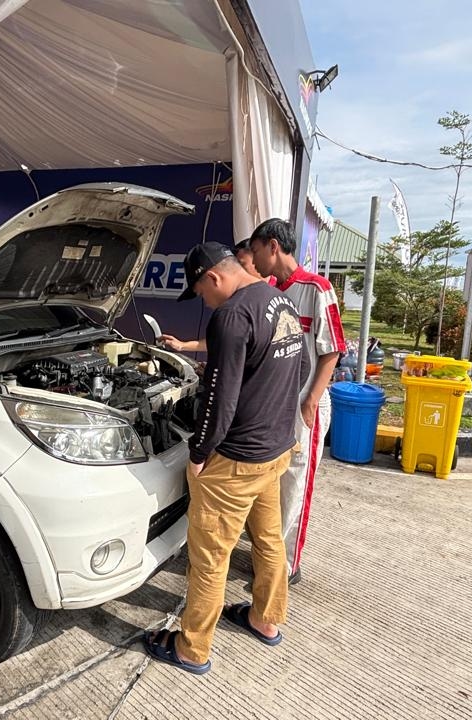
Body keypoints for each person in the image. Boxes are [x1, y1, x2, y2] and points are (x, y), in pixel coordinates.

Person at [142, 242, 310, 675]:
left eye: (200, 292)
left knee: (210, 558)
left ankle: (190, 649)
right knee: (269, 542)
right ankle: (265, 620)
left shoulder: (231, 315)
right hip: (274, 450)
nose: (204, 300)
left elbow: (219, 401)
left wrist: (199, 454)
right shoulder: (279, 301)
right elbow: (303, 367)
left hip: (234, 462)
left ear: (212, 277)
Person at [247, 218, 346, 584]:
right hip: (275, 404)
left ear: (273, 246)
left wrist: (311, 401)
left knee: (295, 483)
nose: (253, 260)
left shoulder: (317, 289)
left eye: (256, 251)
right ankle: (266, 556)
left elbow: (333, 349)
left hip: (305, 406)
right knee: (271, 483)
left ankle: (286, 566)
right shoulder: (269, 291)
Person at [158, 239, 267, 354]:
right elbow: (226, 340)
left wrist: (214, 369)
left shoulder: (233, 313)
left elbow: (228, 368)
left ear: (214, 278)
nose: (206, 303)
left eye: (202, 294)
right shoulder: (273, 297)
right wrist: (183, 346)